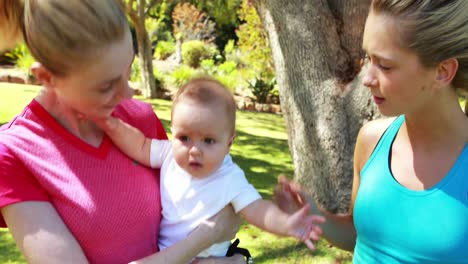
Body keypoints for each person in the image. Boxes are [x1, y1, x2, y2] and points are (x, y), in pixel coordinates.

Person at [0, 1, 245, 263]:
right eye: (107, 85)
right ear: (47, 77)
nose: (128, 93)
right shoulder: (13, 155)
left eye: (128, 69)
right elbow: (208, 230)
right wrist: (208, 235)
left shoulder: (138, 119)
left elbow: (188, 212)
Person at [275, 0, 468, 263]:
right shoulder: (372, 140)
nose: (367, 78)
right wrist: (314, 217)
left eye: (385, 66)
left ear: (442, 72)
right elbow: (359, 235)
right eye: (368, 57)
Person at [96, 77, 326, 259]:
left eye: (208, 141)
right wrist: (112, 125)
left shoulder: (230, 178)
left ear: (229, 144)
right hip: (169, 255)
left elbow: (258, 210)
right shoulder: (168, 154)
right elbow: (140, 144)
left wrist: (286, 224)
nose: (194, 150)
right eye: (184, 137)